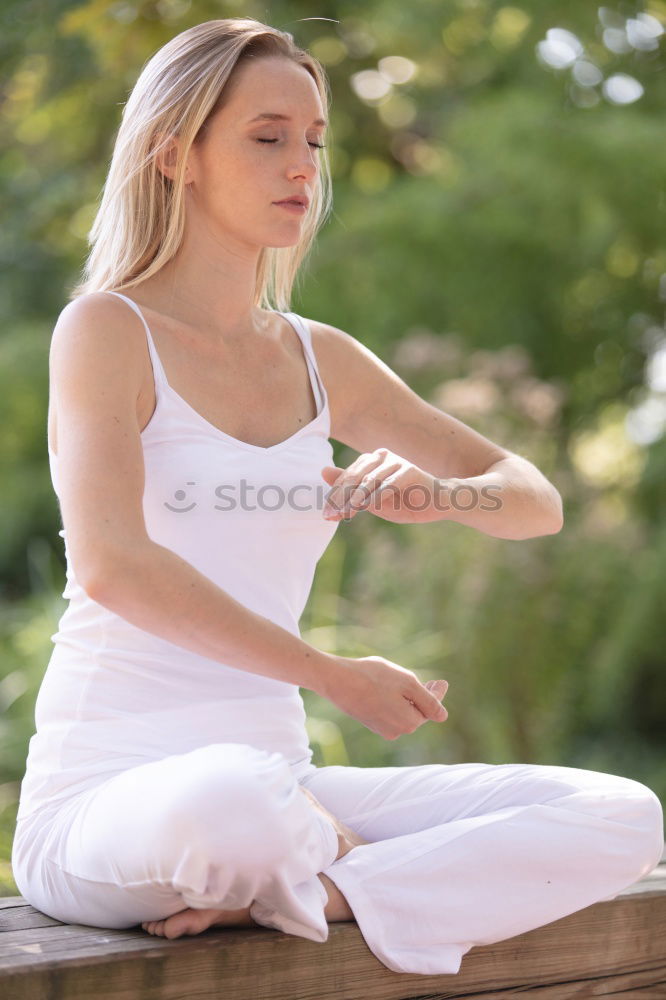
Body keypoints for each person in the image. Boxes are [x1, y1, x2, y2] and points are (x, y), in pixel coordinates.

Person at [11, 17, 664, 978]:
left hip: (285, 790)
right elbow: (115, 568)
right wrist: (330, 674)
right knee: (231, 806)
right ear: (173, 155)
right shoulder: (106, 331)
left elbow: (532, 499)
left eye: (314, 142)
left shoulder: (321, 358)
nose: (302, 166)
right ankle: (314, 865)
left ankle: (333, 887)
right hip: (111, 800)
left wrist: (443, 496)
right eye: (266, 136)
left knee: (622, 814)